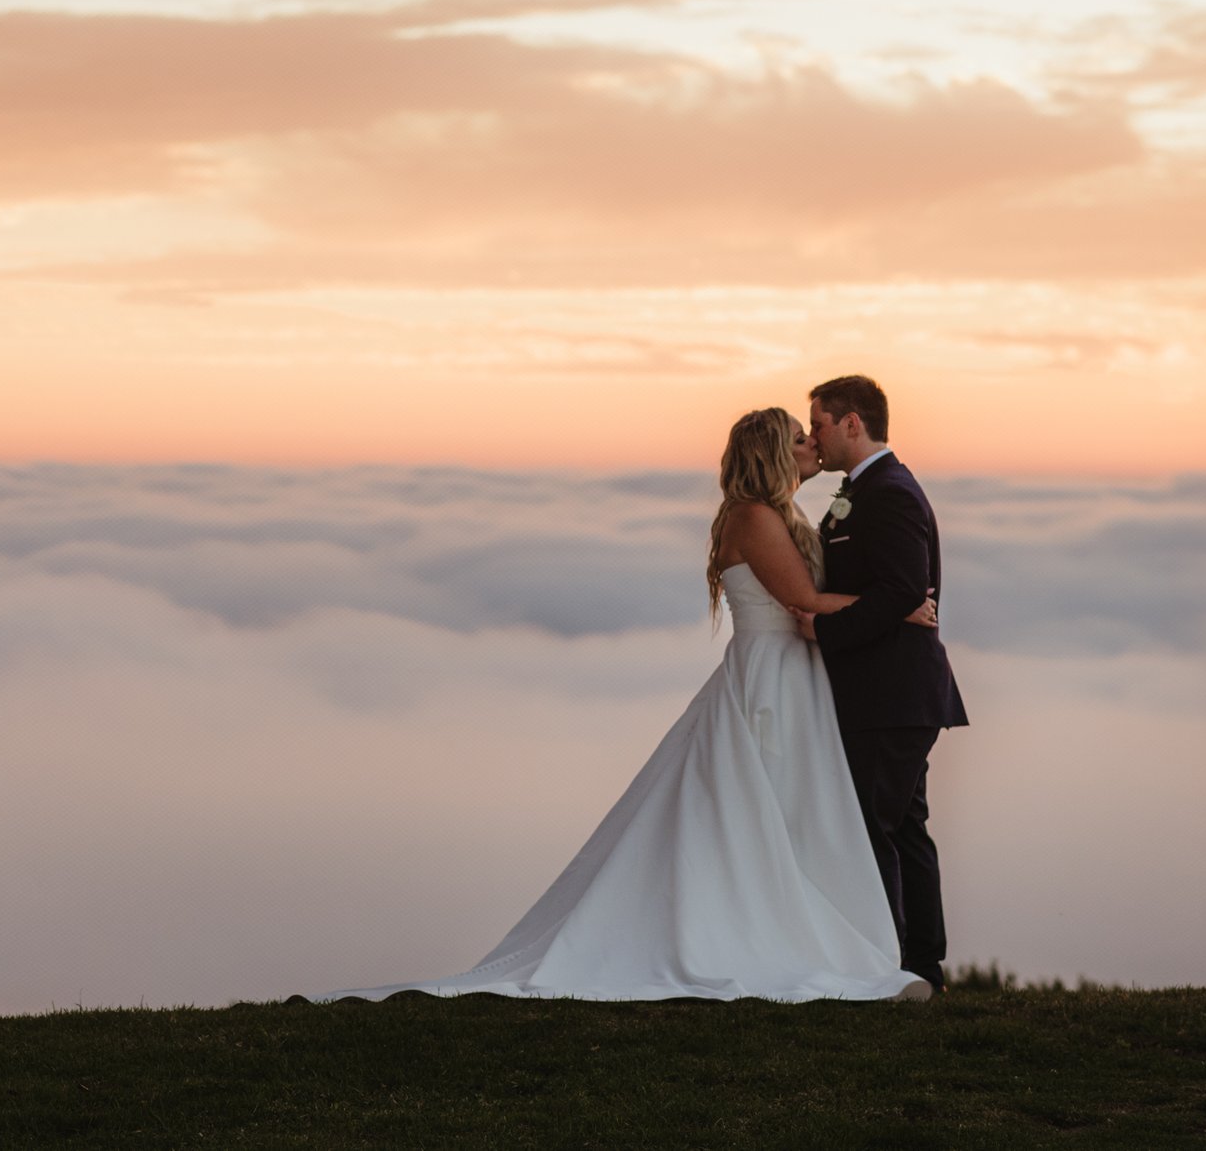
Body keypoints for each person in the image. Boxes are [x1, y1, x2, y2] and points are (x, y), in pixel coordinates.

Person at [316, 406, 938, 1004]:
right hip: (770, 680)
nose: (812, 446)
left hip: (797, 674)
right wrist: (897, 604)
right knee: (764, 812)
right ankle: (764, 933)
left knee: (788, 815)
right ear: (776, 453)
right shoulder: (751, 517)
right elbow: (801, 598)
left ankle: (819, 929)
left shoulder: (776, 514)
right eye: (800, 438)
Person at [800, 374, 968, 992]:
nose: (813, 435)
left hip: (892, 692)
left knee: (871, 827)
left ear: (852, 423)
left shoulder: (890, 492)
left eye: (818, 423)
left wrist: (823, 630)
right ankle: (921, 961)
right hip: (893, 694)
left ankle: (891, 964)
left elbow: (903, 589)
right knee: (903, 827)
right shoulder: (861, 491)